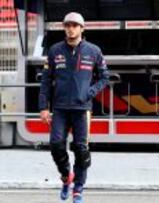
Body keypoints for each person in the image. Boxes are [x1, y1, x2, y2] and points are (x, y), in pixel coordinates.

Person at [38, 12, 109, 203]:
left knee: (81, 149)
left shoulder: (93, 51)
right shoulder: (54, 51)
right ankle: (65, 177)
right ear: (64, 28)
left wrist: (90, 91)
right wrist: (44, 107)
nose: (71, 28)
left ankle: (78, 188)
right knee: (56, 145)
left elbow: (104, 77)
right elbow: (46, 81)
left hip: (82, 108)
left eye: (75, 25)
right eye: (67, 25)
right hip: (60, 108)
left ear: (82, 29)